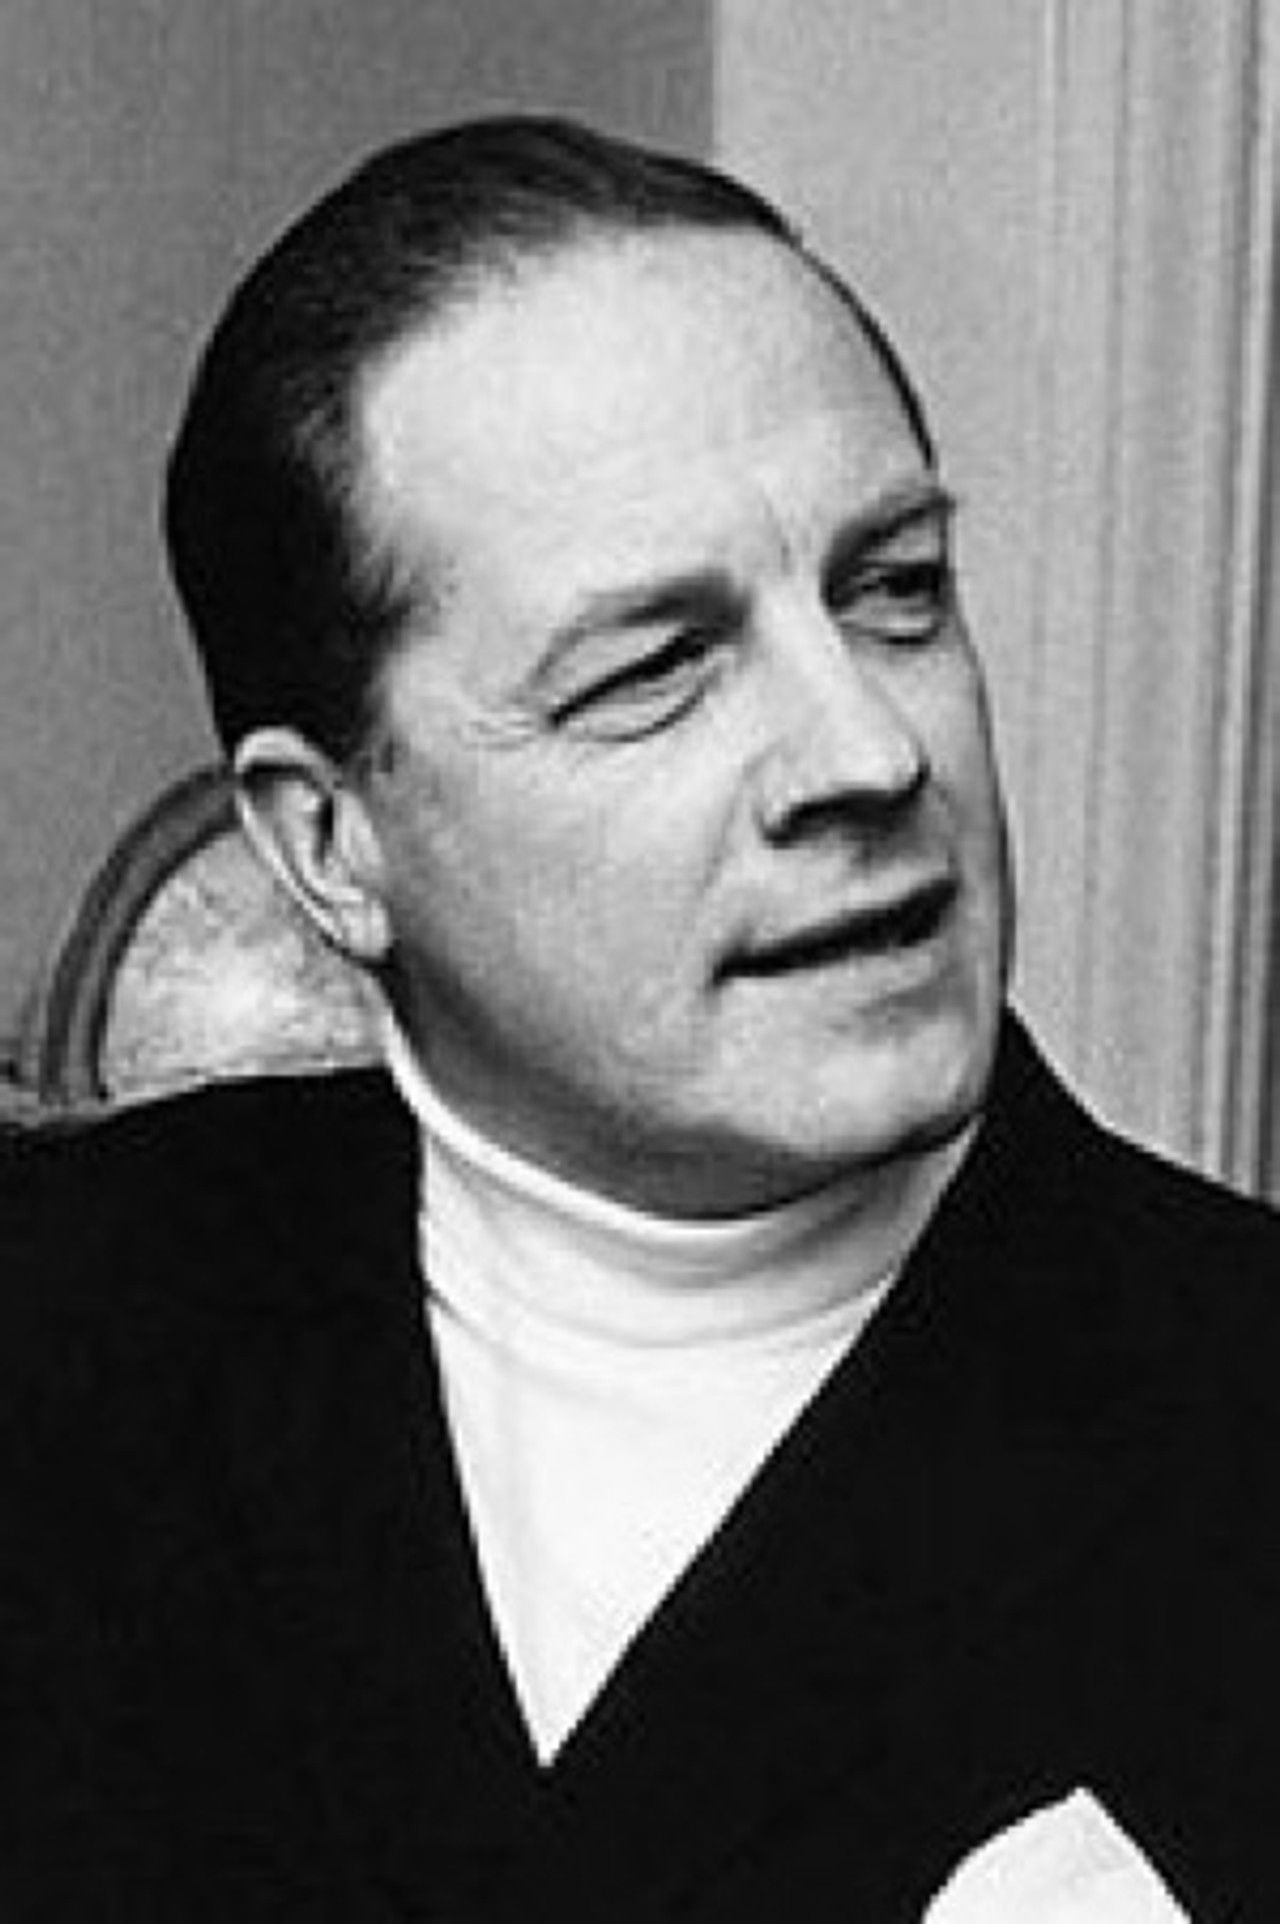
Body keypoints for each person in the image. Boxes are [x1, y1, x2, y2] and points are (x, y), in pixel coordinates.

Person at [3, 116, 1279, 1922]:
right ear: (330, 845)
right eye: (654, 670)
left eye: (897, 591)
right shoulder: (64, 1314)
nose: (869, 752)